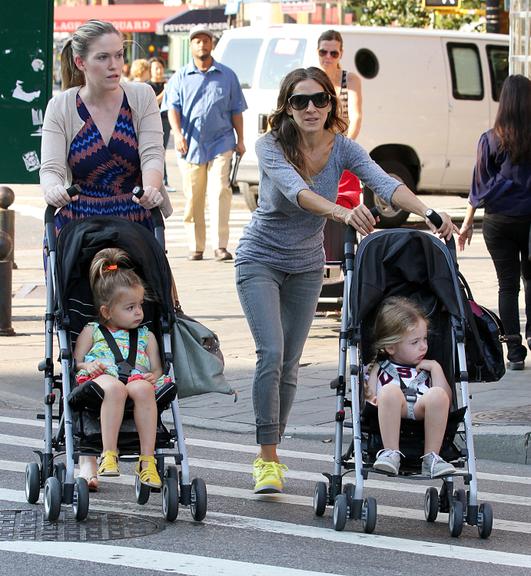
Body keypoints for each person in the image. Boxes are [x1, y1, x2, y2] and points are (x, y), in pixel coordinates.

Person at [235, 66, 456, 494]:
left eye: (319, 99)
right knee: (271, 352)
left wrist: (429, 213)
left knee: (291, 364)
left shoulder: (344, 148)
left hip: (305, 264)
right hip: (259, 257)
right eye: (300, 101)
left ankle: (271, 442)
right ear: (287, 107)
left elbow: (384, 184)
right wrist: (342, 211)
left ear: (331, 103)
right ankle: (268, 458)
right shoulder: (270, 145)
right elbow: (296, 191)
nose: (311, 108)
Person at [40, 19, 172, 489]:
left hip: (134, 217)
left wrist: (152, 188)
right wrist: (56, 190)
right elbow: (52, 168)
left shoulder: (140, 97)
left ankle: (145, 448)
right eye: (103, 57)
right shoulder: (62, 106)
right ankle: (88, 455)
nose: (115, 64)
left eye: (119, 54)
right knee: (79, 317)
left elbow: (153, 154)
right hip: (78, 220)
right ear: (81, 63)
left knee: (142, 308)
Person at [74, 247, 164, 489]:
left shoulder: (147, 336)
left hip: (135, 379)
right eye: (130, 307)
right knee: (115, 389)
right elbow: (78, 361)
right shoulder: (92, 331)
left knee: (144, 389)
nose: (138, 312)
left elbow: (157, 369)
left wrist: (152, 376)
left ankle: (147, 461)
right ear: (107, 311)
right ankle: (108, 453)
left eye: (140, 305)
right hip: (102, 378)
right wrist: (88, 364)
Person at [458, 75, 531, 370]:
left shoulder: (490, 138)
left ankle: (513, 351)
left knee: (507, 284)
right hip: (529, 221)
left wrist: (466, 224)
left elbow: (478, 186)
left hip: (498, 222)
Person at [163, 24, 247, 262]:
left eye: (206, 40)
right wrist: (177, 135)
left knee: (220, 191)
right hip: (190, 145)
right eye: (197, 41)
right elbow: (172, 108)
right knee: (193, 196)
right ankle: (195, 245)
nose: (202, 44)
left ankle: (220, 245)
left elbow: (236, 110)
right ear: (191, 46)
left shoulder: (227, 75)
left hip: (221, 142)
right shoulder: (180, 77)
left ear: (212, 44)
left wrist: (241, 140)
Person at [365, 297, 456, 479]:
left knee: (438, 394)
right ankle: (391, 453)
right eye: (415, 342)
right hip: (394, 407)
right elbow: (369, 395)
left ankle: (432, 457)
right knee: (389, 391)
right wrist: (371, 398)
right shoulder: (378, 367)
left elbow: (446, 400)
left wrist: (436, 369)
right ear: (391, 347)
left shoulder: (428, 366)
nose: (423, 346)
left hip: (423, 407)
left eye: (424, 339)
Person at [317, 29, 363, 207]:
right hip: (315, 152)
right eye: (323, 52)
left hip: (341, 148)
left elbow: (356, 117)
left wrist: (344, 149)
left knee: (344, 204)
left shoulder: (350, 80)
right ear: (317, 52)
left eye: (333, 53)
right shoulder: (311, 78)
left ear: (341, 54)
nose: (328, 57)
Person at [147, 57, 174, 191]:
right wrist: (164, 93)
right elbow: (153, 103)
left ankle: (164, 180)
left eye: (161, 68)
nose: (159, 71)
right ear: (150, 70)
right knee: (154, 151)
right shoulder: (147, 86)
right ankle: (159, 180)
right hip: (151, 121)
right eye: (156, 68)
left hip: (164, 120)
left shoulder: (168, 84)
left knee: (162, 150)